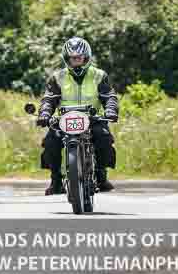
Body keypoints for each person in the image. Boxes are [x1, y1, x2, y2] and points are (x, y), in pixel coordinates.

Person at [36, 37, 119, 195]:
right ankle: (56, 180)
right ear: (67, 59)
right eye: (73, 58)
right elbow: (49, 99)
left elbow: (109, 96)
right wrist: (45, 113)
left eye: (79, 57)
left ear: (86, 57)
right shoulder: (57, 77)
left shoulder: (99, 75)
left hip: (92, 119)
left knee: (104, 139)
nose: (77, 61)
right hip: (64, 120)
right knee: (50, 142)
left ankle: (101, 175)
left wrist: (111, 110)